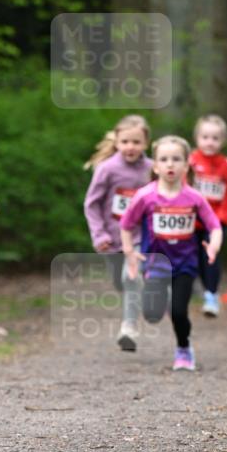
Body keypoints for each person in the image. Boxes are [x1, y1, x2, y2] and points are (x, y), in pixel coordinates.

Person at [120, 135, 222, 372]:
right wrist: (129, 252)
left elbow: (214, 225)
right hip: (155, 262)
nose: (170, 164)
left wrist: (213, 245)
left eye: (176, 159)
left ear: (186, 165)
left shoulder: (194, 198)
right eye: (164, 159)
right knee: (151, 311)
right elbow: (126, 225)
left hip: (185, 263)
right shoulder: (145, 196)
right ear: (155, 166)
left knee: (178, 311)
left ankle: (184, 348)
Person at [83, 115, 152, 351]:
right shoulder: (107, 168)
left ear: (145, 143)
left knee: (130, 277)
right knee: (122, 283)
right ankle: (137, 296)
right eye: (125, 142)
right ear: (117, 142)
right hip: (112, 239)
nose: (130, 147)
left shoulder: (152, 168)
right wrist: (99, 235)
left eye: (136, 142)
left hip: (141, 238)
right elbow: (92, 204)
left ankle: (129, 328)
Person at [188, 114, 227, 317]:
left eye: (215, 138)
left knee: (211, 257)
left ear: (223, 140)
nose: (210, 142)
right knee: (193, 257)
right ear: (197, 138)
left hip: (217, 221)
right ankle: (191, 291)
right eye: (205, 137)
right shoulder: (189, 161)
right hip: (191, 222)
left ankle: (211, 295)